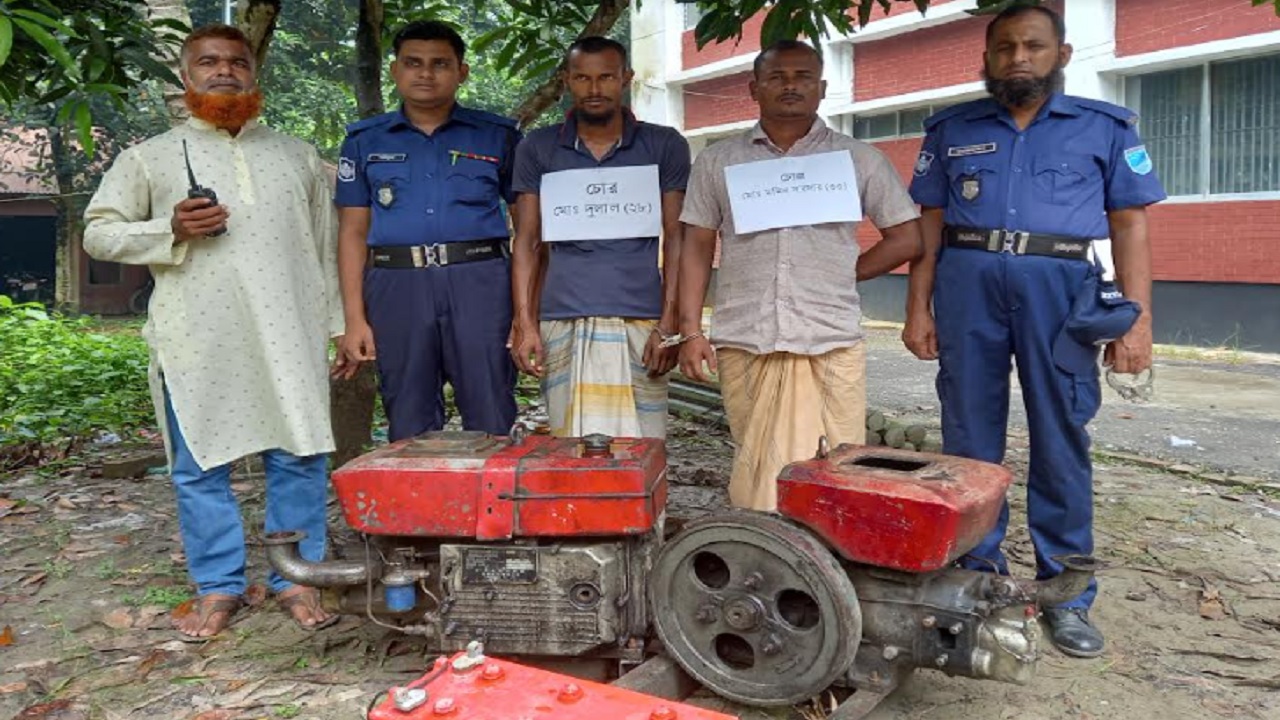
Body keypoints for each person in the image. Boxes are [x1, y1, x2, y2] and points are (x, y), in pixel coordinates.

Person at [905, 5, 1166, 658]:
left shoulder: (1105, 128)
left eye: (1033, 46)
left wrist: (1137, 323)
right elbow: (929, 226)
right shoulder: (952, 128)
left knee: (1060, 436)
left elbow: (1131, 224)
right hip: (967, 287)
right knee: (968, 440)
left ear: (1062, 55)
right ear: (987, 57)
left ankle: (1067, 593)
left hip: (1062, 291)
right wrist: (917, 306)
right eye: (1004, 47)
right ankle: (977, 579)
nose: (1018, 57)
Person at [83, 24, 342, 639]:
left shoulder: (295, 154)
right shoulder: (149, 157)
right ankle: (219, 587)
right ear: (185, 75)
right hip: (196, 337)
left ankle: (297, 578)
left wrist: (336, 327)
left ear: (254, 73)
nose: (223, 71)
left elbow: (326, 250)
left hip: (290, 332)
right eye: (207, 62)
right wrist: (167, 228)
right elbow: (98, 231)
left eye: (236, 61)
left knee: (300, 455)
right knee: (199, 466)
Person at [677, 40, 924, 511]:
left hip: (829, 337)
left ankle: (828, 564)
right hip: (745, 337)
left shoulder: (858, 159)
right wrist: (690, 331)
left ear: (822, 87)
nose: (790, 85)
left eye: (803, 76)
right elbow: (696, 245)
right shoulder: (719, 161)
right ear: (754, 89)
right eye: (776, 77)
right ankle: (766, 552)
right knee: (756, 459)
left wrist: (842, 274)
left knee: (837, 465)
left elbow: (907, 238)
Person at [333, 21, 521, 441]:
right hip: (396, 285)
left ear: (462, 72)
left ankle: (490, 505)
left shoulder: (498, 137)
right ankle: (417, 507)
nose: (426, 73)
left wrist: (525, 314)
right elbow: (351, 233)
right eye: (413, 63)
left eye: (440, 64)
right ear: (395, 71)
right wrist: (353, 318)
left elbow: (528, 231)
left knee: (490, 405)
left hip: (480, 283)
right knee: (407, 411)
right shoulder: (364, 141)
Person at [509, 36, 690, 438]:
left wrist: (670, 322)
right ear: (566, 81)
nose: (594, 89)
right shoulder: (538, 147)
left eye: (606, 77)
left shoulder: (663, 145)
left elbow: (677, 237)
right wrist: (525, 323)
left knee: (643, 447)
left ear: (625, 78)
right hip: (561, 318)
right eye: (582, 78)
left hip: (641, 320)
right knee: (568, 444)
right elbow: (527, 241)